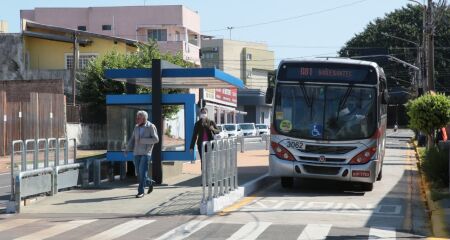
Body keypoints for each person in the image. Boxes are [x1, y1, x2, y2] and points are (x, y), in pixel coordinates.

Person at [124, 110, 159, 198]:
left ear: (144, 118)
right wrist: (127, 149)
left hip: (146, 153)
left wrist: (143, 140)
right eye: (137, 117)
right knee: (139, 173)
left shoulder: (151, 126)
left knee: (142, 173)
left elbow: (156, 139)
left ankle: (140, 192)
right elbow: (132, 139)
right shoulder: (136, 127)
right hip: (136, 152)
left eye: (138, 118)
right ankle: (149, 182)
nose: (137, 119)